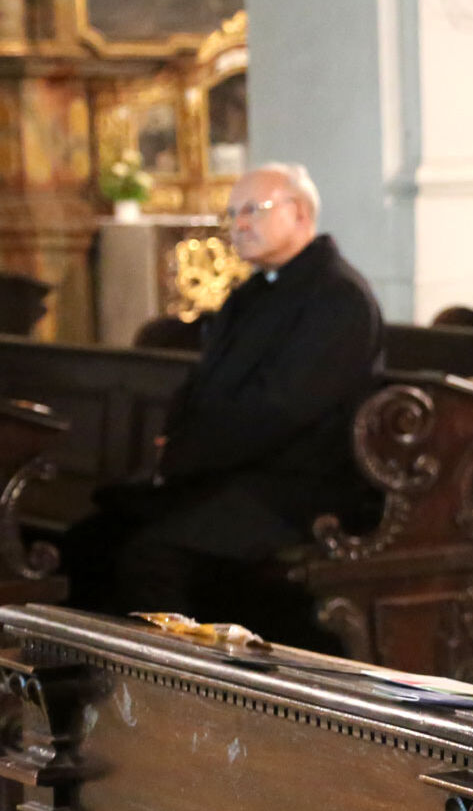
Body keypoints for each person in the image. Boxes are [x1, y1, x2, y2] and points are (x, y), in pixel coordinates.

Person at [62, 162, 383, 633]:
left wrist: (186, 455)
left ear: (298, 214)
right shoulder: (252, 294)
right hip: (233, 473)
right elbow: (206, 381)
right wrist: (174, 440)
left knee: (151, 556)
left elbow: (280, 408)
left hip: (296, 488)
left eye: (253, 210)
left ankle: (169, 693)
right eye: (233, 214)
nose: (240, 225)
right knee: (92, 538)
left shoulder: (337, 297)